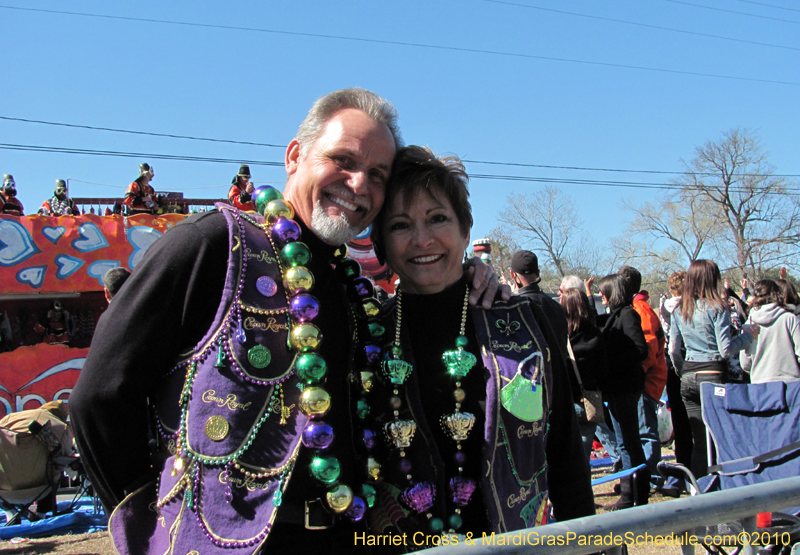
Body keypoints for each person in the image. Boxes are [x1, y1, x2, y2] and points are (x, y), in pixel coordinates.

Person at [69, 89, 505, 555]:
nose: (359, 184)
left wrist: (474, 277)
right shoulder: (212, 246)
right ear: (295, 156)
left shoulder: (354, 289)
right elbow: (98, 400)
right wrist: (149, 534)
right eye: (342, 159)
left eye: (377, 174)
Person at [368, 146, 594, 539]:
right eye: (400, 225)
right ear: (381, 243)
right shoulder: (370, 336)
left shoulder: (528, 322)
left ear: (465, 229)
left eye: (437, 218)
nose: (422, 240)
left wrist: (591, 544)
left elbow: (565, 455)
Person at [668, 259, 757, 478]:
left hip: (689, 376)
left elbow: (672, 349)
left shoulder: (680, 309)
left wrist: (682, 371)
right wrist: (747, 337)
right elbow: (725, 350)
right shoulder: (717, 307)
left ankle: (699, 486)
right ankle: (724, 484)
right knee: (719, 436)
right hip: (713, 375)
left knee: (699, 439)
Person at [596, 273, 649, 509]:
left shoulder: (628, 314)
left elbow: (640, 349)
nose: (600, 295)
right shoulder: (614, 315)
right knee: (624, 441)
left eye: (602, 291)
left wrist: (612, 359)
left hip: (626, 386)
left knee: (629, 442)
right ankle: (633, 492)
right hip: (617, 387)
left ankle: (633, 495)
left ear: (611, 293)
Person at [618, 266, 667, 490]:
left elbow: (648, 347)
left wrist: (637, 374)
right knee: (638, 430)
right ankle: (641, 476)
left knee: (646, 431)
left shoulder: (641, 309)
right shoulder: (633, 308)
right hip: (641, 380)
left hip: (647, 381)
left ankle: (652, 478)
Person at [511, 251, 581, 403]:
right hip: (560, 386)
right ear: (538, 273)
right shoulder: (556, 306)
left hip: (530, 391)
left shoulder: (515, 308)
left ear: (512, 274)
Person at [561, 287, 608, 461]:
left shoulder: (559, 334)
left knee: (566, 455)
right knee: (584, 454)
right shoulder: (594, 333)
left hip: (565, 400)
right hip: (589, 398)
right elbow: (602, 370)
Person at [658, 271, 692, 489]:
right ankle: (697, 468)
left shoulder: (665, 307)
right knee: (696, 421)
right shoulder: (689, 307)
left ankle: (681, 469)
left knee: (679, 421)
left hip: (672, 366)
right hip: (689, 362)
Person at [741, 279, 800, 383]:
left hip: (760, 384)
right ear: (778, 294)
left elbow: (745, 362)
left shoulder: (750, 323)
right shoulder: (790, 319)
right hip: (790, 384)